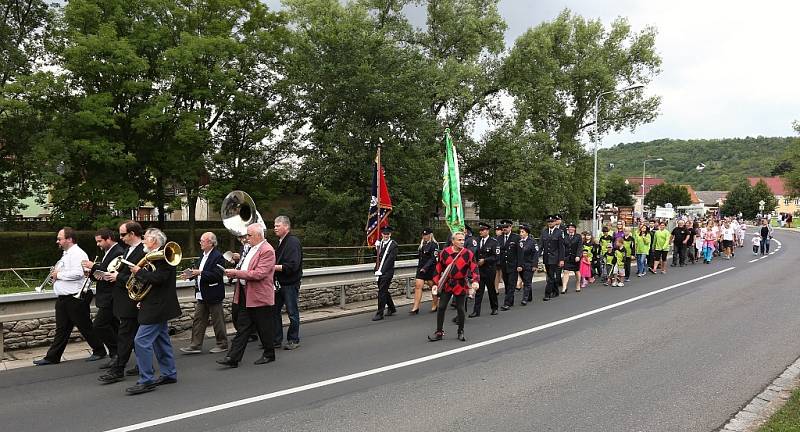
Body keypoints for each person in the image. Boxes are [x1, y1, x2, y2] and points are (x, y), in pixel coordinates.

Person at [33, 227, 107, 366]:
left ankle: (99, 350)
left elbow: (79, 273)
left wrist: (58, 275)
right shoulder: (66, 254)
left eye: (60, 239)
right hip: (64, 297)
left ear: (69, 239)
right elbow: (65, 272)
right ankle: (53, 357)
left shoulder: (78, 253)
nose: (57, 241)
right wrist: (56, 276)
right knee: (62, 329)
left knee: (85, 326)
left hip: (75, 297)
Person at [125, 228, 182, 395]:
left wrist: (138, 272)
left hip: (158, 307)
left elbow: (159, 279)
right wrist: (141, 299)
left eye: (146, 239)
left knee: (141, 341)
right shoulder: (153, 258)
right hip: (155, 304)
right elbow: (152, 285)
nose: (143, 241)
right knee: (161, 341)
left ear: (154, 242)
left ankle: (146, 380)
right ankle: (169, 373)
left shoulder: (164, 257)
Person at [218, 223, 277, 368]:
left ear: (258, 235)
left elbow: (259, 274)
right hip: (246, 294)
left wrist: (236, 273)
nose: (246, 238)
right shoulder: (251, 248)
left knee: (264, 327)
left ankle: (269, 354)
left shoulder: (267, 250)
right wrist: (234, 272)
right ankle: (233, 358)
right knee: (243, 327)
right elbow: (245, 267)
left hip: (259, 296)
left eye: (249, 235)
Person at [99, 221, 145, 383]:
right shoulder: (128, 250)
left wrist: (118, 277)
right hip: (123, 298)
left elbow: (141, 278)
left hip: (130, 300)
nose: (120, 238)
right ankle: (143, 365)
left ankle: (118, 369)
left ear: (132, 234)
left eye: (123, 234)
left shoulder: (142, 251)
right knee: (135, 336)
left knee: (125, 335)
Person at [83, 228, 125, 368]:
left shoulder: (118, 251)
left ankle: (116, 354)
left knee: (99, 325)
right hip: (106, 296)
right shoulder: (109, 252)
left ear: (108, 239)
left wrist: (93, 266)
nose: (98, 244)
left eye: (100, 241)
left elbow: (112, 273)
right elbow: (103, 274)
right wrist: (91, 273)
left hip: (111, 296)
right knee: (115, 327)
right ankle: (119, 355)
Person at [180, 232, 228, 355]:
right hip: (202, 294)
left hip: (213, 293)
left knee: (218, 320)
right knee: (198, 320)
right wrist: (189, 275)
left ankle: (222, 344)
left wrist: (200, 273)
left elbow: (217, 275)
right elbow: (198, 272)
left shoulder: (218, 256)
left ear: (211, 243)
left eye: (202, 240)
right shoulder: (202, 256)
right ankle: (195, 345)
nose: (200, 242)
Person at [427, 232, 478, 342]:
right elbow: (438, 268)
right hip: (447, 283)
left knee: (460, 308)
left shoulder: (468, 253)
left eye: (463, 240)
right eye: (459, 240)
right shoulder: (445, 252)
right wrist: (435, 283)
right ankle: (439, 332)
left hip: (460, 284)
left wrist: (475, 281)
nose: (462, 242)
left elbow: (474, 268)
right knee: (441, 307)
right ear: (453, 241)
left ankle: (461, 331)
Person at [272, 216, 303, 350]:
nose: (275, 228)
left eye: (277, 225)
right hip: (279, 283)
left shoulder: (293, 242)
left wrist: (273, 267)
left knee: (292, 312)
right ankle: (276, 339)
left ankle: (293, 339)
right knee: (274, 311)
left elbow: (292, 265)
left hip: (290, 283)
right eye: (274, 226)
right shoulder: (280, 242)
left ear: (286, 226)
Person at [471, 222, 498, 317]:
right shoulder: (477, 241)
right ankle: (476, 311)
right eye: (480, 230)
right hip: (479, 270)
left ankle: (494, 308)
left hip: (489, 269)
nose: (480, 232)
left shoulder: (493, 242)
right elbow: (474, 254)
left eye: (482, 230)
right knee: (479, 291)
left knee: (491, 290)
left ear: (487, 230)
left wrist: (485, 260)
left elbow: (496, 257)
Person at [372, 226, 398, 321]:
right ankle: (391, 308)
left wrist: (381, 271)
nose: (385, 235)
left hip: (387, 271)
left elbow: (390, 260)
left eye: (387, 234)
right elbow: (376, 257)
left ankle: (380, 313)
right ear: (382, 234)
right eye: (384, 233)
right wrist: (376, 248)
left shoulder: (393, 245)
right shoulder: (380, 243)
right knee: (383, 290)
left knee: (381, 291)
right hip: (379, 270)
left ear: (390, 234)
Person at [411, 227, 438, 314]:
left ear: (430, 235)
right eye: (423, 235)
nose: (425, 236)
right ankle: (416, 307)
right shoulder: (422, 245)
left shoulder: (434, 245)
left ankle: (435, 304)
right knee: (418, 286)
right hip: (421, 268)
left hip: (430, 269)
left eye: (426, 235)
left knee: (432, 287)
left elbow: (433, 258)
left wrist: (425, 268)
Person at [538, 215, 565, 302]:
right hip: (546, 257)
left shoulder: (559, 232)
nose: (550, 223)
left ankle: (547, 294)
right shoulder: (544, 232)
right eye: (549, 222)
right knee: (550, 276)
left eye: (552, 221)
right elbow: (541, 245)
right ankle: (556, 291)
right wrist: (537, 256)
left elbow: (561, 247)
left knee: (551, 276)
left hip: (555, 258)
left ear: (555, 222)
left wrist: (561, 259)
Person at [499, 220, 520, 309]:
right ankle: (510, 300)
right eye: (503, 227)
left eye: (506, 227)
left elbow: (520, 252)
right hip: (504, 264)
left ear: (510, 227)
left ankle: (507, 303)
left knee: (511, 284)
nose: (504, 229)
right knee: (507, 283)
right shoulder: (499, 238)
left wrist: (519, 264)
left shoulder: (516, 238)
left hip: (513, 264)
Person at [516, 224, 538, 305]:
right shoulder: (518, 241)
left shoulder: (532, 242)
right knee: (525, 281)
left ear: (527, 233)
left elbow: (535, 254)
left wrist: (535, 265)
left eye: (523, 232)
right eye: (520, 232)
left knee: (527, 282)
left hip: (529, 264)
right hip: (521, 265)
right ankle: (529, 296)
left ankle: (524, 299)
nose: (521, 233)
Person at [561, 223, 582, 294]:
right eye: (569, 227)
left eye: (572, 227)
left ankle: (578, 284)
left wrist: (578, 256)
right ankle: (564, 287)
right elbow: (563, 247)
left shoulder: (578, 236)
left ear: (574, 229)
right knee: (565, 271)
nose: (570, 229)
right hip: (567, 257)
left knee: (577, 272)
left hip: (575, 257)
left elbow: (580, 247)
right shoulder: (565, 237)